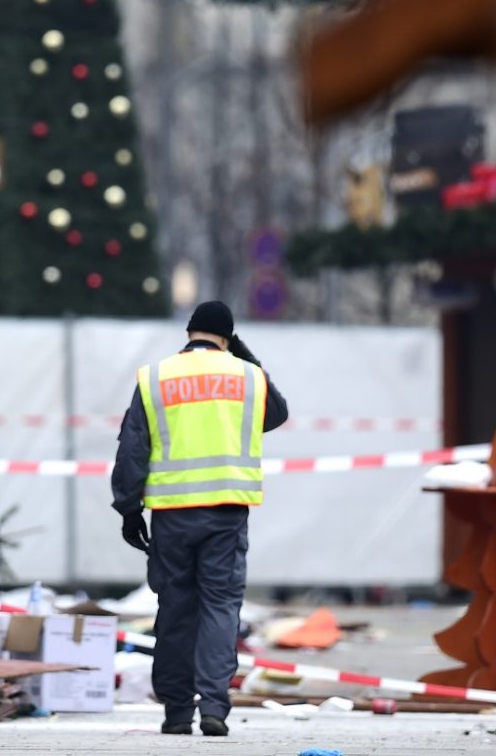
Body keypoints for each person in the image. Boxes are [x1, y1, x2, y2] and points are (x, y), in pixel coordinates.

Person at [112, 300, 289, 737]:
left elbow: (132, 447)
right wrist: (245, 355)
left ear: (189, 332)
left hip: (171, 515)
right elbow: (278, 413)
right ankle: (213, 706)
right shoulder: (249, 376)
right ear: (228, 337)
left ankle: (175, 711)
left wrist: (129, 508)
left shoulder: (155, 377)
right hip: (226, 513)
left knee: (175, 608)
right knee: (220, 606)